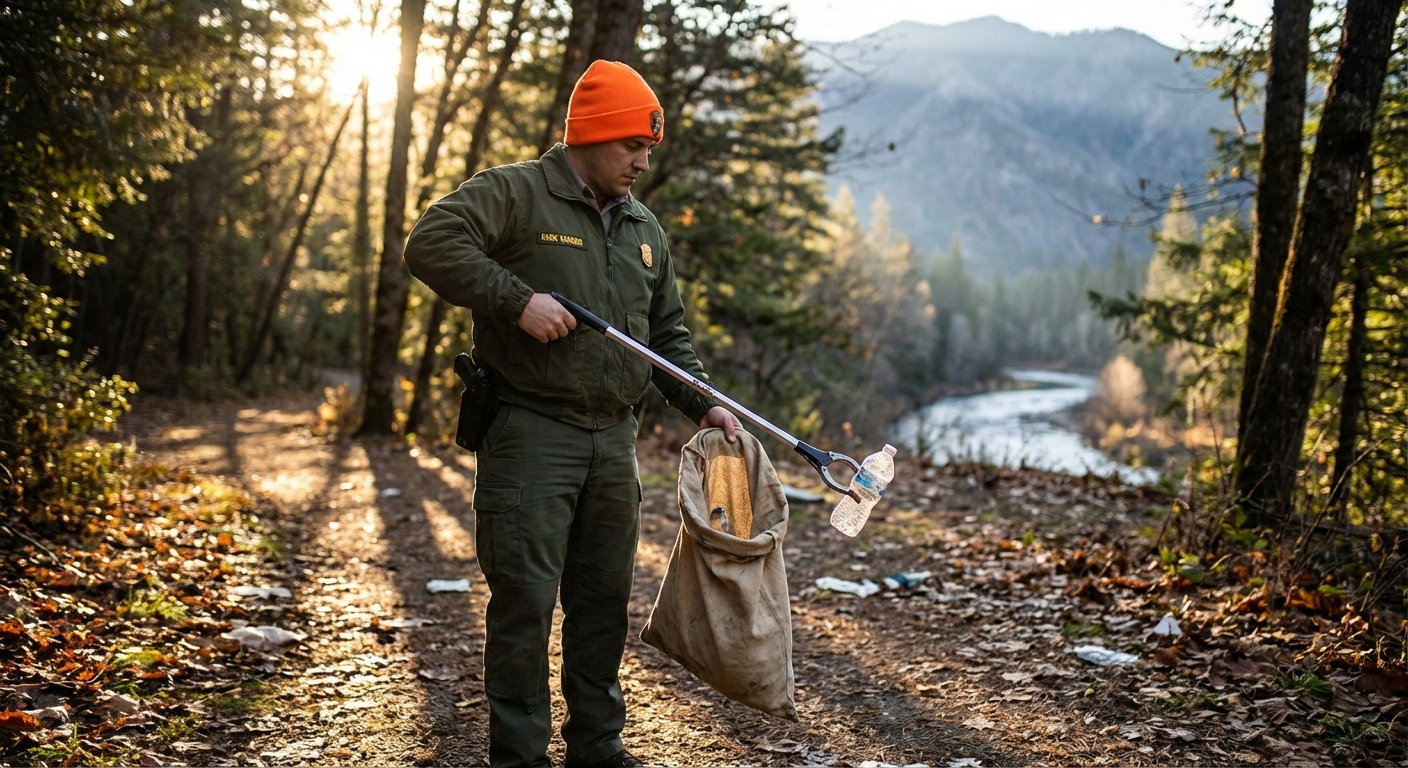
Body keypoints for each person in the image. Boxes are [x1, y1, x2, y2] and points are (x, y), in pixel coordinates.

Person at [403, 60, 740, 768]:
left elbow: (667, 336)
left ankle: (597, 747)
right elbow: (430, 243)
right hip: (530, 432)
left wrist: (703, 402)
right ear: (590, 136)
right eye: (632, 147)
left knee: (601, 602)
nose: (644, 163)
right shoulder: (517, 192)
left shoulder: (646, 229)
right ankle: (520, 754)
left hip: (613, 442)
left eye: (649, 149)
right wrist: (514, 300)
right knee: (524, 602)